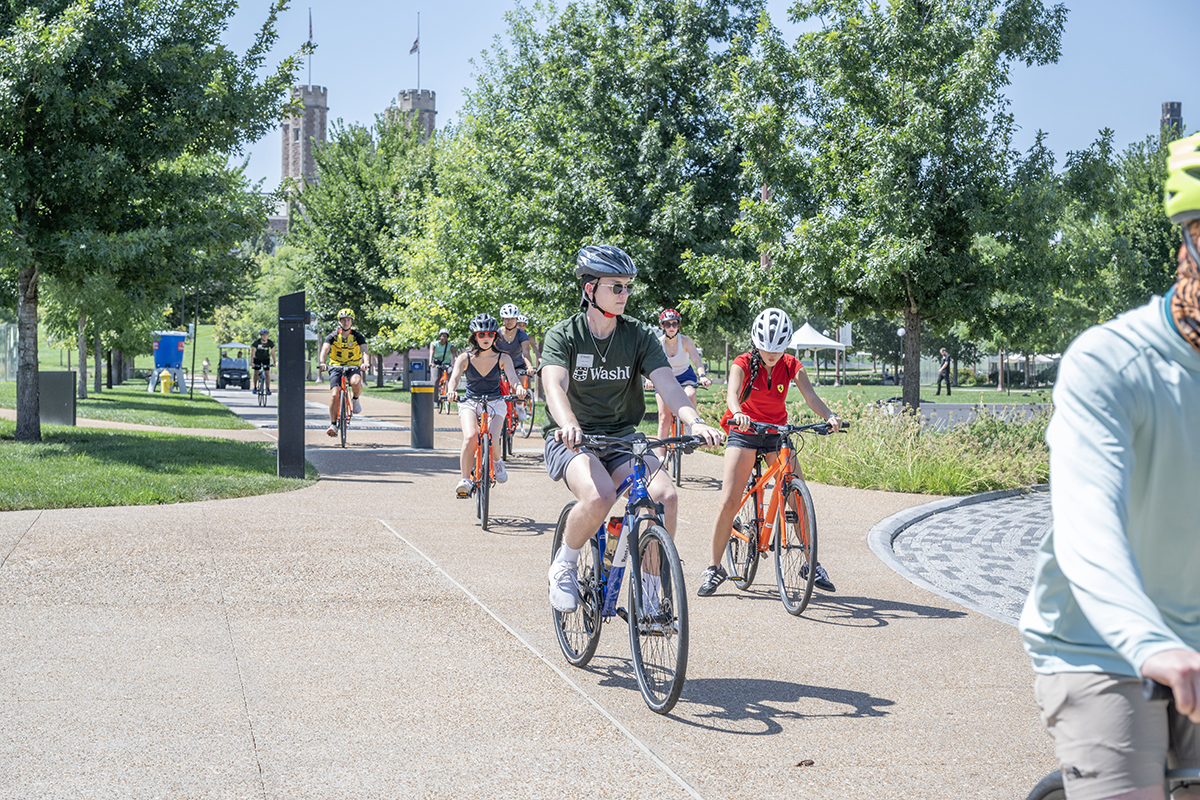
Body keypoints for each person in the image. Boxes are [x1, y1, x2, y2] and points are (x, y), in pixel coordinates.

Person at [1018, 131, 1200, 800]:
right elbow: (1088, 522)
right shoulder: (1110, 363)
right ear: (1188, 241)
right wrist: (1149, 641)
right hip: (1098, 643)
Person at [540, 245, 725, 613]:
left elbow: (669, 385)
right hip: (574, 439)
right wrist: (570, 424)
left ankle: (651, 587)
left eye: (627, 287)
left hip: (623, 438)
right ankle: (564, 563)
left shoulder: (638, 336)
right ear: (590, 289)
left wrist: (695, 420)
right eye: (616, 287)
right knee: (599, 497)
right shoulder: (564, 334)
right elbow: (553, 386)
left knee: (664, 497)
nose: (624, 295)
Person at [696, 307, 843, 598]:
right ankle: (714, 568)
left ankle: (810, 563)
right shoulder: (742, 362)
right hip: (745, 431)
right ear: (756, 342)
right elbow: (731, 394)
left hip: (777, 433)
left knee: (798, 498)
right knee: (729, 500)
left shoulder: (791, 365)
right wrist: (738, 413)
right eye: (765, 348)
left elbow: (810, 396)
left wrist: (829, 415)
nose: (771, 354)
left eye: (777, 348)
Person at [447, 314, 528, 497]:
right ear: (474, 336)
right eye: (481, 334)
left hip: (495, 402)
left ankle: (498, 462)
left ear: (495, 336)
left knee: (493, 437)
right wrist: (451, 391)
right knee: (471, 436)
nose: (486, 338)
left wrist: (519, 389)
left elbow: (514, 379)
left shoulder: (503, 357)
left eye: (490, 334)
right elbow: (455, 378)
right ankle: (465, 480)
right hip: (470, 402)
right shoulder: (464, 357)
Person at [650, 308, 711, 453]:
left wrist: (702, 376)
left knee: (689, 395)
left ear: (678, 325)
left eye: (674, 324)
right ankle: (661, 456)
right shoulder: (658, 344)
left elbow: (696, 361)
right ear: (662, 326)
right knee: (664, 416)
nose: (671, 327)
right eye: (667, 324)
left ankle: (690, 428)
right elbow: (650, 364)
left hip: (685, 376)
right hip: (664, 377)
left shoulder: (685, 341)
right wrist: (649, 379)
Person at [317, 308, 369, 437]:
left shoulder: (357, 336)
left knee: (356, 382)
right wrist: (322, 362)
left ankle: (355, 399)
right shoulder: (333, 336)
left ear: (351, 322)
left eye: (348, 320)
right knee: (335, 395)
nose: (346, 322)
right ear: (339, 322)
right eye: (343, 320)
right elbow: (324, 350)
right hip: (336, 366)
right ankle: (333, 425)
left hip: (353, 366)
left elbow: (365, 351)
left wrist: (365, 362)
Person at [497, 303, 535, 417]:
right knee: (502, 388)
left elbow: (526, 352)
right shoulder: (497, 333)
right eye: (506, 319)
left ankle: (519, 407)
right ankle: (503, 412)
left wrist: (529, 367)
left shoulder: (522, 334)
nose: (509, 321)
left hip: (518, 364)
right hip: (502, 366)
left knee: (517, 388)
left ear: (516, 319)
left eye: (512, 318)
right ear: (502, 319)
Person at [429, 328, 455, 395]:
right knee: (435, 380)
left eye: (445, 336)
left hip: (446, 364)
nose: (444, 338)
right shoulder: (434, 344)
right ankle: (435, 401)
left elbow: (455, 356)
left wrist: (456, 363)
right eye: (442, 336)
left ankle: (450, 391)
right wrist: (430, 362)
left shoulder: (450, 346)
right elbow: (431, 352)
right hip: (436, 365)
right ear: (440, 336)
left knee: (451, 372)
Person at [251, 328, 275, 395]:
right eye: (263, 335)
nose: (265, 336)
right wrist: (251, 362)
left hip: (266, 358)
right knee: (256, 372)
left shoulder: (270, 342)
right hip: (257, 358)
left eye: (266, 335)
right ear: (261, 336)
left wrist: (275, 362)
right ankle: (255, 387)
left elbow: (273, 353)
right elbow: (252, 352)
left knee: (267, 373)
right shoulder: (257, 342)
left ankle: (268, 389)